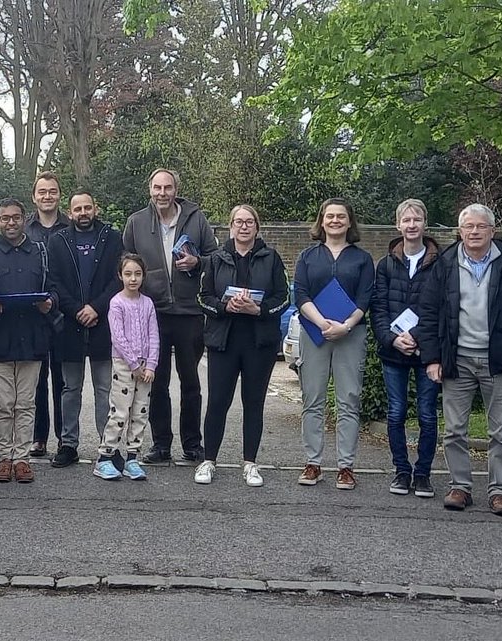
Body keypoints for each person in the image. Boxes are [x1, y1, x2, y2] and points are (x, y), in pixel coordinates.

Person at [418, 204, 502, 517]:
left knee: (501, 431)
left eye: (481, 226)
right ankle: (460, 486)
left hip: (498, 359)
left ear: (492, 231)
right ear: (459, 232)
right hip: (456, 359)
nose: (474, 232)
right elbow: (429, 314)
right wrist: (432, 358)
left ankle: (500, 491)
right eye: (468, 227)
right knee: (455, 429)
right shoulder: (444, 264)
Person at [123, 168, 217, 466]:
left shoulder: (196, 218)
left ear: (176, 189)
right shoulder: (136, 222)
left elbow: (216, 257)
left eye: (167, 188)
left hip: (189, 311)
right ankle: (161, 444)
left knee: (191, 382)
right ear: (149, 190)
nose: (162, 193)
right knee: (156, 381)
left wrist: (198, 261)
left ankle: (192, 444)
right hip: (153, 313)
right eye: (156, 188)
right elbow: (126, 261)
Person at [195, 205, 289, 487]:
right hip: (223, 341)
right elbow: (203, 297)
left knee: (254, 403)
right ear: (231, 227)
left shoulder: (271, 258)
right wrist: (225, 306)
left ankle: (250, 463)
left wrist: (257, 311)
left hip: (259, 343)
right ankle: (208, 460)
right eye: (239, 222)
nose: (244, 226)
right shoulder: (215, 259)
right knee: (217, 403)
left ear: (257, 227)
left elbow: (283, 298)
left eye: (249, 222)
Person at [0, 198, 59, 484]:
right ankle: (4, 456)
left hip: (32, 340)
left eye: (16, 217)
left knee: (27, 403)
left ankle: (22, 458)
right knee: (3, 403)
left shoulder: (40, 253)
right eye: (5, 218)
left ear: (23, 219)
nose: (10, 223)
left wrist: (50, 303)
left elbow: (54, 289)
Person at [293, 198, 374, 490]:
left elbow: (366, 297)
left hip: (350, 334)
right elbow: (300, 294)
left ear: (349, 222)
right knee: (312, 400)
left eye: (341, 216)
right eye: (330, 216)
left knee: (348, 400)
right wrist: (322, 323)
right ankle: (313, 462)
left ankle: (345, 466)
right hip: (314, 333)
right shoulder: (307, 256)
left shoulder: (362, 258)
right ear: (322, 221)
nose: (335, 221)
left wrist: (346, 326)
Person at [369, 199, 441, 498]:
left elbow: (441, 308)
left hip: (427, 352)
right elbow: (379, 307)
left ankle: (423, 474)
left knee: (426, 414)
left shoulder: (441, 262)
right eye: (406, 220)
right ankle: (401, 471)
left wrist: (420, 339)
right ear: (398, 225)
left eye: (417, 219)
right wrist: (392, 338)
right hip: (393, 351)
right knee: (396, 413)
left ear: (425, 224)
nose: (412, 225)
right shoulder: (385, 264)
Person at [47, 191, 123, 468]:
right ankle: (68, 444)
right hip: (70, 325)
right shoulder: (58, 242)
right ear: (70, 212)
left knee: (105, 389)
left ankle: (108, 446)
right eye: (77, 208)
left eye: (87, 207)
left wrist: (96, 308)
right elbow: (53, 282)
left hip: (104, 324)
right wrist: (76, 309)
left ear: (96, 208)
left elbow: (119, 279)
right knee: (70, 388)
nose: (83, 212)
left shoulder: (113, 239)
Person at [96, 253, 159, 481]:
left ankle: (132, 457)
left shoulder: (148, 303)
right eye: (128, 274)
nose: (133, 279)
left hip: (145, 368)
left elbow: (154, 336)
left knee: (140, 411)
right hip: (124, 365)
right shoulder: (116, 303)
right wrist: (133, 363)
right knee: (120, 411)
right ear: (120, 276)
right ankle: (105, 456)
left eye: (138, 274)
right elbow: (118, 337)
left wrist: (150, 365)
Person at [25, 171, 69, 457]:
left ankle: (64, 437)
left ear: (59, 195)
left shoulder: (71, 226)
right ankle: (38, 437)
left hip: (65, 311)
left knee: (63, 379)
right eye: (42, 191)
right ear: (34, 196)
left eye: (52, 191)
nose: (47, 196)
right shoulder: (26, 228)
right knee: (36, 379)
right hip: (33, 314)